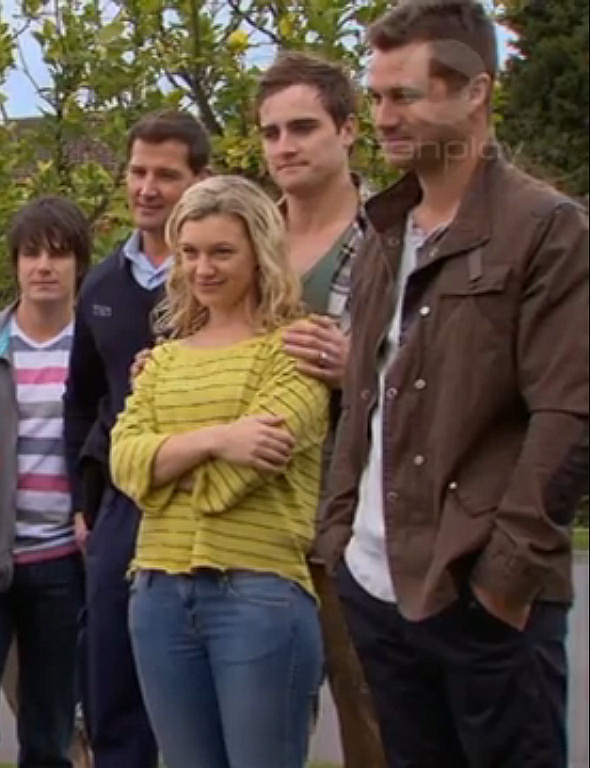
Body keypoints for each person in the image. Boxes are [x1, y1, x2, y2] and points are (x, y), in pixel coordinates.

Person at [313, 2, 590, 766]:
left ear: (476, 91)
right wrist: (338, 541)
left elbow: (568, 415)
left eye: (405, 95)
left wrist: (502, 583)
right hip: (375, 589)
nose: (382, 117)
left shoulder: (548, 229)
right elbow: (365, 400)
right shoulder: (384, 231)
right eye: (376, 96)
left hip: (482, 601)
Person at [110, 174, 331, 768]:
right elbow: (124, 463)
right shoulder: (162, 360)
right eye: (190, 252)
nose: (202, 268)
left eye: (221, 252)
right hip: (157, 592)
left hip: (258, 594)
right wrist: (217, 438)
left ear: (260, 252)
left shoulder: (297, 350)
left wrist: (163, 466)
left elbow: (232, 480)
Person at [62, 109, 210, 768]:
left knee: (203, 698)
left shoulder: (222, 277)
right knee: (113, 685)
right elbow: (81, 402)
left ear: (199, 180)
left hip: (210, 499)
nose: (148, 188)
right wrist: (82, 501)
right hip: (123, 503)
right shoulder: (100, 285)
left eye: (166, 175)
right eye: (138, 172)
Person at [254, 50, 387, 766]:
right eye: (271, 132)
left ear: (348, 129)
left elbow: (445, 374)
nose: (285, 146)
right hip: (252, 512)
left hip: (357, 514)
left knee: (371, 710)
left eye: (303, 128)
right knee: (261, 724)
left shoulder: (395, 238)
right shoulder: (245, 241)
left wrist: (357, 368)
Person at [0, 197, 91, 768]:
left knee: (50, 729)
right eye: (31, 253)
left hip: (61, 564)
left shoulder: (95, 347)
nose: (43, 266)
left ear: (79, 264)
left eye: (58, 255)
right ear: (14, 262)